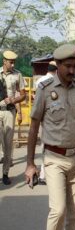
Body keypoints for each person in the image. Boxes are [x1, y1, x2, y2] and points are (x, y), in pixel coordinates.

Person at [24, 44, 75, 230]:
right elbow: (33, 128)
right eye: (68, 66)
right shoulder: (45, 90)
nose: (73, 70)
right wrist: (30, 164)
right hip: (54, 158)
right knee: (58, 210)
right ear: (58, 65)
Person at [0, 50, 26, 185]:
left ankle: (5, 173)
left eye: (14, 61)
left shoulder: (18, 75)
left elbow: (23, 95)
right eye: (11, 62)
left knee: (8, 143)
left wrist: (14, 101)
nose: (13, 64)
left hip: (9, 112)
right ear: (4, 61)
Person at [33, 61, 59, 185]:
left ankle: (44, 173)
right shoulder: (54, 81)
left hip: (40, 117)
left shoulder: (39, 81)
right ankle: (45, 174)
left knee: (44, 145)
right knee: (52, 146)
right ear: (56, 70)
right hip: (52, 118)